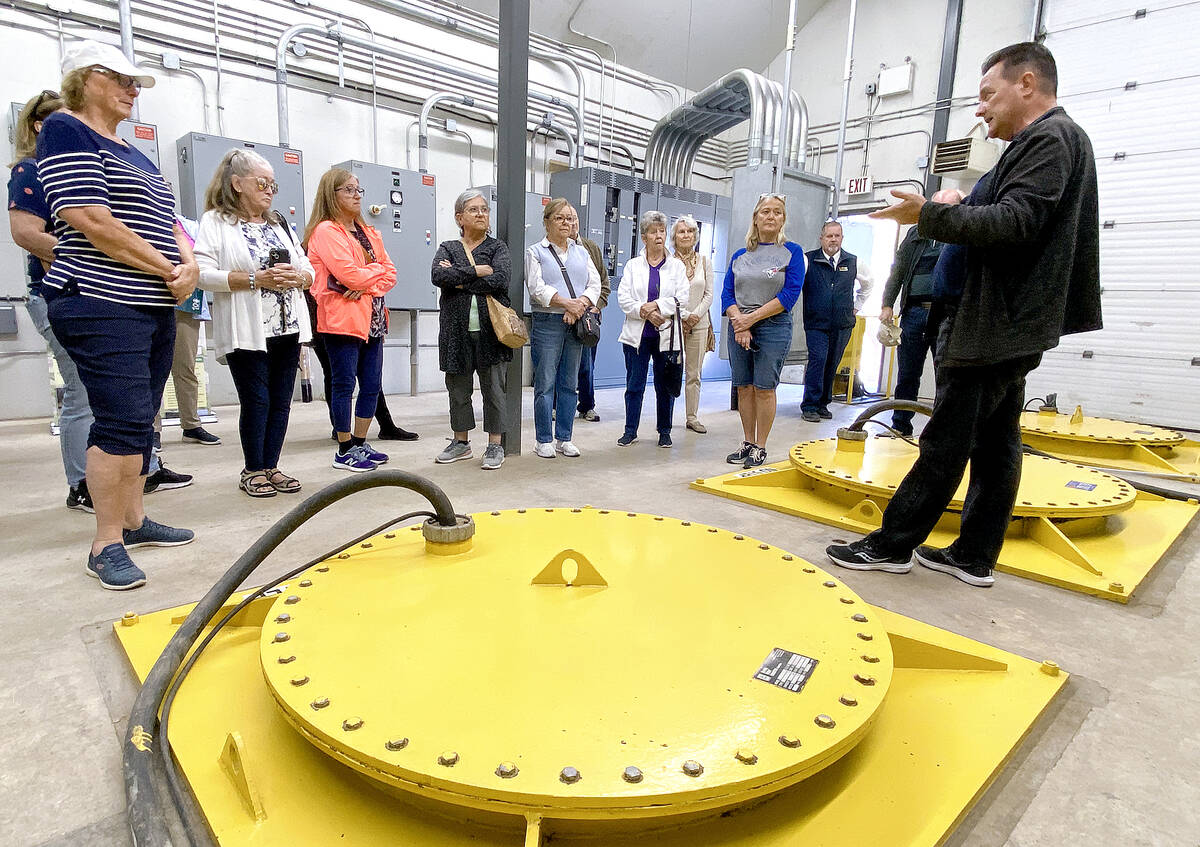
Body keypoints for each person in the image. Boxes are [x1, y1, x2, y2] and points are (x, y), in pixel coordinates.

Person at [826, 42, 1101, 587]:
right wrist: (958, 205)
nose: (979, 110)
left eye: (987, 94)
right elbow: (1010, 216)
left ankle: (893, 543)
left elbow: (1016, 223)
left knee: (948, 437)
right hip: (1004, 320)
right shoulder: (1039, 143)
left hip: (997, 322)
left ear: (1026, 83)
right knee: (997, 442)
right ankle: (975, 554)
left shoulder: (1050, 140)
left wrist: (928, 214)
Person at [38, 40, 198, 590]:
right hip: (102, 300)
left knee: (142, 417)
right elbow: (88, 216)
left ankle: (132, 521)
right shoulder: (67, 128)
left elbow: (168, 217)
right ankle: (104, 541)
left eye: (136, 83)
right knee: (121, 419)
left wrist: (190, 263)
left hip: (150, 301)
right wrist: (165, 267)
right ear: (87, 78)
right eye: (125, 80)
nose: (134, 91)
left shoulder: (130, 149)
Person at [194, 149, 314, 496]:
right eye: (262, 183)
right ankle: (253, 469)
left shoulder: (279, 223)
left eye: (273, 184)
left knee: (280, 400)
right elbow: (202, 273)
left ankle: (271, 466)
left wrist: (300, 277)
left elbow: (308, 266)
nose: (270, 190)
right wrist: (253, 279)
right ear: (237, 184)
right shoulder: (216, 222)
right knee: (257, 400)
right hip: (248, 329)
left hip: (287, 326)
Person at [8, 89, 95, 511]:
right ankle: (81, 483)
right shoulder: (31, 170)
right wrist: (85, 254)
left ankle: (140, 470)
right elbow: (26, 233)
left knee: (113, 392)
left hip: (96, 293)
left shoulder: (79, 167)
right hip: (56, 292)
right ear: (42, 125)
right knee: (80, 390)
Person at [305, 167, 397, 472]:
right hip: (341, 319)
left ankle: (360, 442)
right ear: (332, 195)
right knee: (344, 383)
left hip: (373, 318)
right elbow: (348, 275)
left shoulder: (368, 232)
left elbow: (390, 273)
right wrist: (369, 278)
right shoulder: (326, 231)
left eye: (359, 190)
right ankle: (344, 448)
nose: (356, 195)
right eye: (348, 190)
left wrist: (365, 283)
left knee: (371, 384)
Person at [721, 193, 806, 468]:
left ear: (783, 219)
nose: (771, 216)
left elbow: (790, 295)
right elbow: (727, 294)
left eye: (777, 212)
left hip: (773, 326)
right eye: (766, 212)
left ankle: (761, 446)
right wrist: (739, 322)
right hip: (739, 327)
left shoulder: (792, 252)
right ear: (755, 218)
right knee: (744, 387)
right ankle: (747, 441)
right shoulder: (740, 255)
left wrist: (751, 319)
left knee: (764, 388)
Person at [431, 189, 511, 470]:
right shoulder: (448, 247)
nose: (481, 214)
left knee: (494, 391)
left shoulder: (497, 248)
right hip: (455, 333)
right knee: (458, 390)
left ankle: (495, 445)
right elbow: (438, 275)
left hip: (492, 334)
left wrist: (459, 280)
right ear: (459, 217)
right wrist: (478, 272)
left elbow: (501, 280)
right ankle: (461, 442)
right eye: (474, 210)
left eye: (485, 209)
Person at [524, 198, 601, 458]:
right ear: (547, 222)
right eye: (560, 218)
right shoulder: (536, 251)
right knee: (545, 382)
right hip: (547, 322)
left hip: (576, 321)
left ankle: (565, 438)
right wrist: (567, 303)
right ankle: (543, 439)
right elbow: (536, 287)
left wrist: (579, 305)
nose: (567, 223)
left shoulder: (582, 251)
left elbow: (595, 283)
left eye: (570, 218)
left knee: (569, 383)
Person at [304, 291, 418, 442]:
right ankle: (341, 431)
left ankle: (385, 425)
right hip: (329, 319)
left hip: (362, 316)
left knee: (369, 378)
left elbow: (386, 275)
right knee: (337, 377)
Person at [615, 210, 687, 447]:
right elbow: (624, 299)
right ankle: (630, 430)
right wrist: (644, 312)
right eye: (653, 231)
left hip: (666, 335)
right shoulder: (633, 265)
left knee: (663, 385)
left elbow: (682, 298)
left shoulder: (676, 267)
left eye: (662, 231)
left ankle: (664, 430)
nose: (659, 235)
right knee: (634, 384)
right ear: (644, 237)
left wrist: (656, 306)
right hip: (637, 336)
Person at [800, 220, 873, 422]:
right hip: (816, 323)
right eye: (829, 236)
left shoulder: (853, 261)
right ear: (821, 238)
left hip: (842, 324)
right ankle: (810, 405)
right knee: (818, 360)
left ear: (842, 238)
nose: (833, 239)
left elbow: (868, 284)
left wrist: (857, 306)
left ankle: (823, 403)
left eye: (837, 236)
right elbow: (794, 284)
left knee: (832, 363)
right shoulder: (809, 260)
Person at [879, 227, 943, 436]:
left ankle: (944, 432)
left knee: (946, 377)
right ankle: (900, 426)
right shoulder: (916, 235)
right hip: (914, 312)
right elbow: (898, 270)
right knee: (907, 374)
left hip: (945, 315)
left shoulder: (960, 233)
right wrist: (887, 304)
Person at [673, 214, 714, 433]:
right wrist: (683, 315)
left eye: (690, 231)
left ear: (696, 236)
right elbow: (667, 294)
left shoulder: (705, 261)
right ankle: (665, 418)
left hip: (699, 324)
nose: (686, 235)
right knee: (670, 372)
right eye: (682, 231)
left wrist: (694, 315)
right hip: (673, 326)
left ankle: (692, 417)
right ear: (675, 237)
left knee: (694, 374)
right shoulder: (669, 262)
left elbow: (709, 294)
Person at [572, 218, 610, 423]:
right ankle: (556, 406)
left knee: (586, 365)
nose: (571, 224)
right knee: (560, 364)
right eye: (565, 219)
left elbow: (604, 282)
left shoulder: (591, 248)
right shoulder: (551, 249)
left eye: (574, 219)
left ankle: (587, 406)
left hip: (589, 316)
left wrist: (597, 305)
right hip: (564, 314)